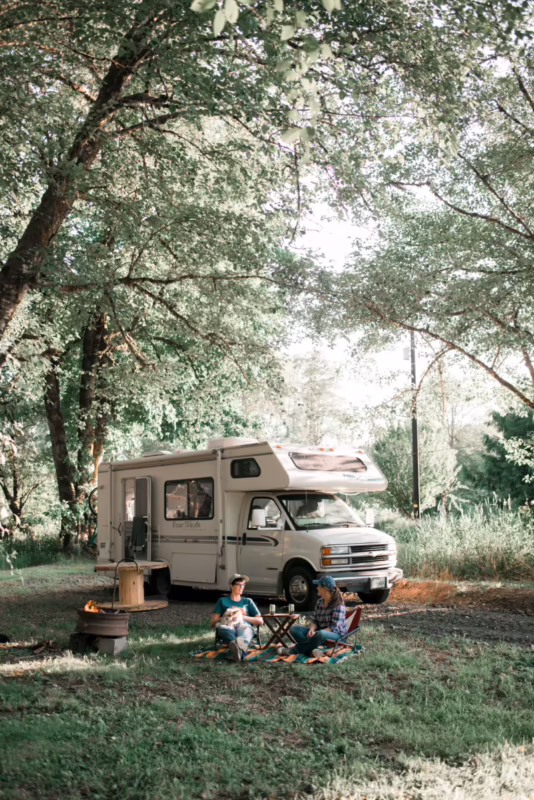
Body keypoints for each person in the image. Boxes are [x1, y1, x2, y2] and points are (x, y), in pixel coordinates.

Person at [281, 576, 347, 657]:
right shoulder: (319, 602)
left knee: (321, 634)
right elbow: (315, 620)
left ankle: (293, 651)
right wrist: (311, 630)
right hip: (320, 632)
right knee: (294, 629)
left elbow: (334, 627)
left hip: (336, 635)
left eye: (319, 586)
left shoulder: (338, 605)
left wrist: (317, 633)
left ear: (325, 588)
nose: (317, 588)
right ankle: (312, 651)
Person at [211, 574, 264, 662]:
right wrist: (226, 616)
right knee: (222, 628)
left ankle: (236, 650)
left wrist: (241, 616)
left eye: (243, 585)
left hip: (243, 625)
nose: (242, 587)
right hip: (228, 626)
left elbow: (260, 621)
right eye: (239, 585)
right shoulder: (222, 601)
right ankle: (241, 651)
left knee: (246, 630)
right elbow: (213, 622)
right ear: (231, 586)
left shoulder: (248, 601)